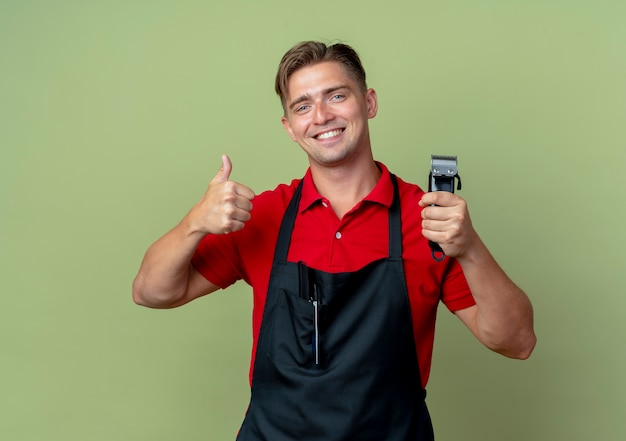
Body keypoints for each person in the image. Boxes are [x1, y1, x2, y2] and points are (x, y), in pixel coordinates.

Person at [132, 40, 536, 440]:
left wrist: (469, 247)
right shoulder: (266, 215)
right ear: (290, 128)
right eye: (303, 106)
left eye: (336, 96)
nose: (322, 116)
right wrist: (194, 223)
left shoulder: (427, 218)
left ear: (369, 103)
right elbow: (151, 291)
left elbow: (516, 342)